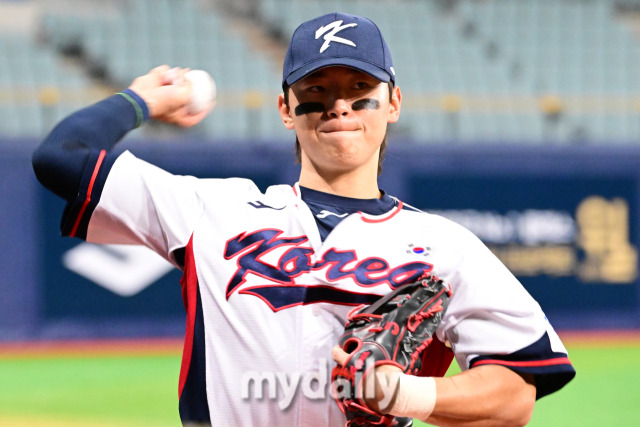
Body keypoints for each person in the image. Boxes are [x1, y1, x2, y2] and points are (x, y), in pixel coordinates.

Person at [32, 12, 575, 427]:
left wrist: (404, 395)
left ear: (394, 103)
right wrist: (142, 100)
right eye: (317, 93)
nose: (339, 106)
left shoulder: (443, 246)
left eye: (360, 92)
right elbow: (62, 156)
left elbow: (516, 392)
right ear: (286, 109)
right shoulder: (211, 209)